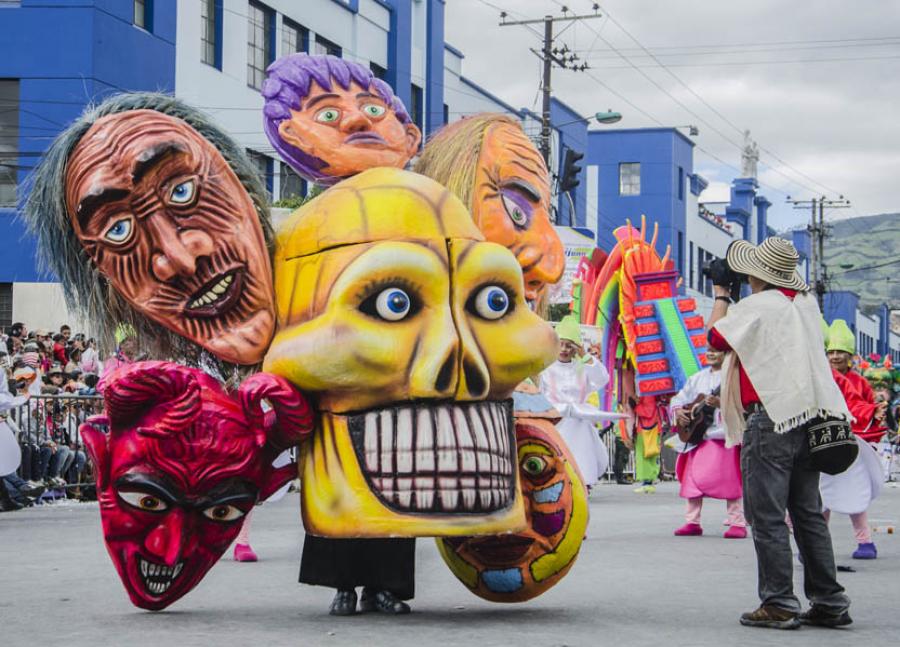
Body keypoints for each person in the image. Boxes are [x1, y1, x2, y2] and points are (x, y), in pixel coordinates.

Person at [707, 236, 852, 629]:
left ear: (757, 274)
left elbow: (716, 337)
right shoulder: (804, 303)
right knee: (806, 512)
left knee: (767, 515)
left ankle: (779, 602)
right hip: (809, 416)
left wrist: (722, 293)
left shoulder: (758, 306)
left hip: (770, 418)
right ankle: (829, 600)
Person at [820, 319, 886, 560]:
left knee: (855, 494)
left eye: (841, 352)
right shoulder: (820, 377)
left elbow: (859, 406)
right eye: (832, 352)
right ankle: (817, 546)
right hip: (823, 443)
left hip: (851, 445)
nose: (835, 356)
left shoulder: (859, 382)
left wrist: (873, 412)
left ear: (851, 356)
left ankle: (865, 541)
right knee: (822, 497)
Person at [670, 349, 746, 538]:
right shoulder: (697, 378)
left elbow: (743, 403)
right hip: (699, 437)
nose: (711, 353)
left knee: (731, 480)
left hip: (724, 436)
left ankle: (737, 522)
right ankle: (692, 521)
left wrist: (722, 404)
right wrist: (679, 411)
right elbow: (679, 399)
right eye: (708, 349)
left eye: (716, 350)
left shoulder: (733, 377)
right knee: (692, 481)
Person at [540, 315, 611, 489]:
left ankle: (583, 481)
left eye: (569, 345)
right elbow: (540, 394)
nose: (564, 349)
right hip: (555, 418)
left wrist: (584, 356)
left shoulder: (582, 367)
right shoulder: (545, 368)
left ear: (576, 348)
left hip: (579, 420)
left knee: (580, 432)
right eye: (561, 344)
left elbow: (603, 379)